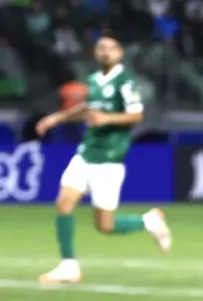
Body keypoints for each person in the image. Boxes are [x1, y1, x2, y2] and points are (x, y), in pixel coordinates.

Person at [36, 33, 171, 284]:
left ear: (120, 53)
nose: (105, 51)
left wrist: (107, 119)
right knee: (64, 203)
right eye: (101, 47)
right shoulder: (94, 80)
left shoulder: (125, 82)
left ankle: (148, 221)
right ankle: (69, 266)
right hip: (86, 153)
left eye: (111, 48)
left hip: (109, 160)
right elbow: (88, 109)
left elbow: (136, 115)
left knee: (105, 226)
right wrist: (57, 118)